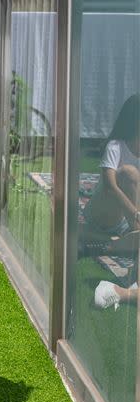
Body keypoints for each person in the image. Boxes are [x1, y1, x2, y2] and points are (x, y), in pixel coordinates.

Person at [88, 95, 139, 308]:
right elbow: (110, 185)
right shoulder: (116, 146)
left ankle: (126, 289)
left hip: (129, 220)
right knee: (128, 173)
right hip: (105, 212)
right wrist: (136, 215)